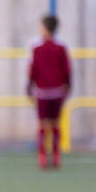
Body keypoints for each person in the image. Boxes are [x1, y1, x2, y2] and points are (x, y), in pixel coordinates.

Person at [27, 15, 71, 169]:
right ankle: (56, 155)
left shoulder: (37, 47)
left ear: (44, 28)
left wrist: (29, 86)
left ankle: (43, 155)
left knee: (42, 124)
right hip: (58, 91)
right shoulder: (61, 47)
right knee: (55, 123)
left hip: (42, 92)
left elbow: (33, 69)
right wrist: (68, 86)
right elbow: (67, 69)